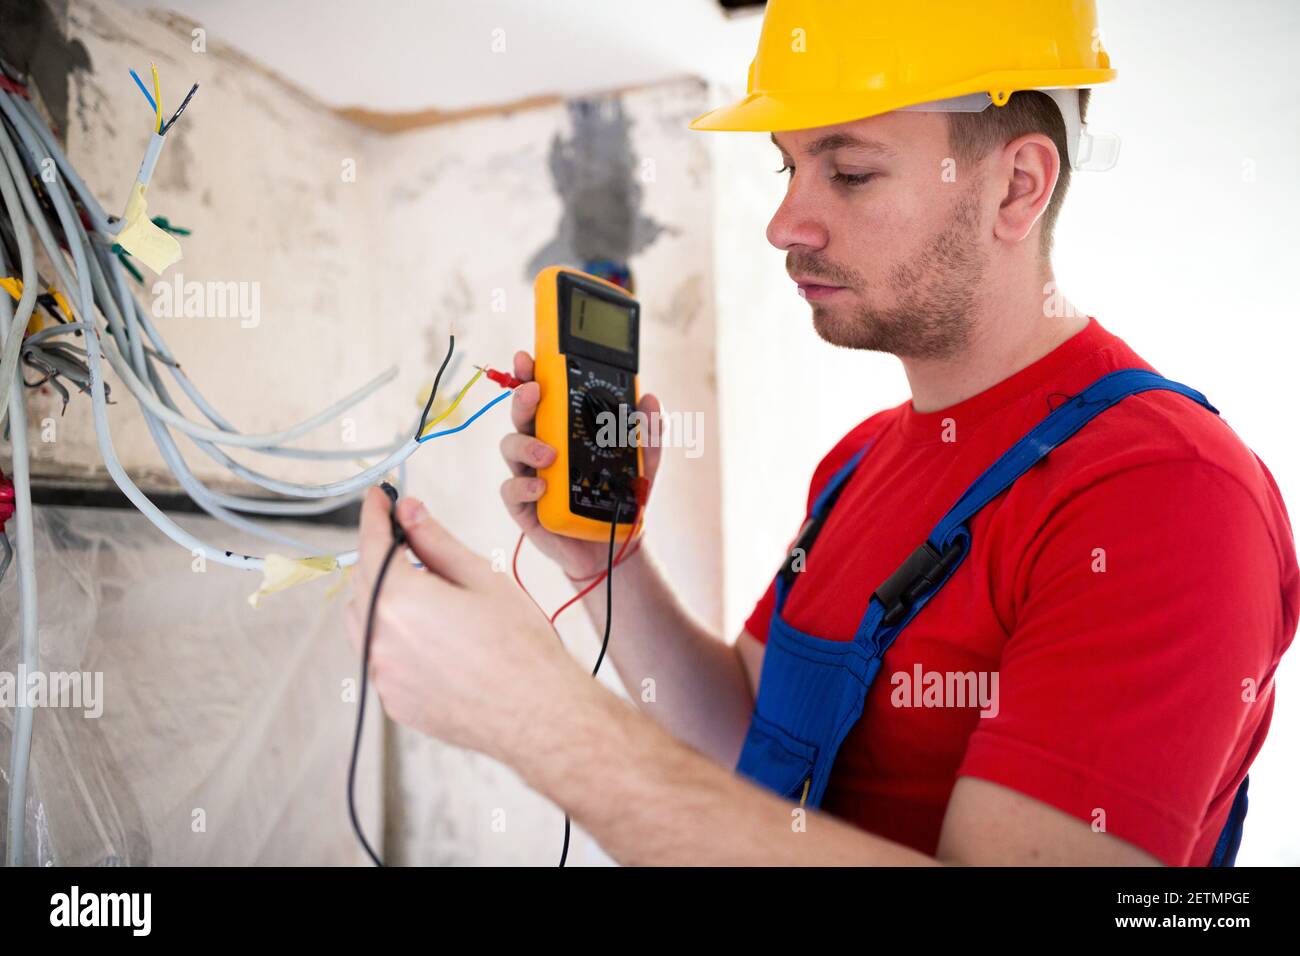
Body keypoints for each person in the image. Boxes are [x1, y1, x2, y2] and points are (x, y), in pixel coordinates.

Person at [344, 0, 1298, 865]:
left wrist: (537, 719)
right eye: (789, 167)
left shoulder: (1164, 493)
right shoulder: (860, 462)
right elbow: (751, 746)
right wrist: (604, 566)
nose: (784, 222)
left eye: (848, 170)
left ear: (1017, 188)